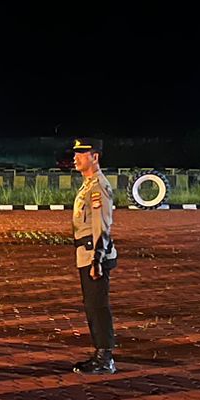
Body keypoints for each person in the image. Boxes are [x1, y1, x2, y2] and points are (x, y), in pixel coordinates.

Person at [70, 137, 118, 373]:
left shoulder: (98, 186)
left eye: (82, 154)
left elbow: (102, 225)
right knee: (91, 305)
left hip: (94, 256)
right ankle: (100, 353)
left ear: (95, 157)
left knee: (98, 306)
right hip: (85, 254)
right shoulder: (87, 185)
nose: (75, 158)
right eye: (75, 153)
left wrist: (96, 260)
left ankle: (105, 357)